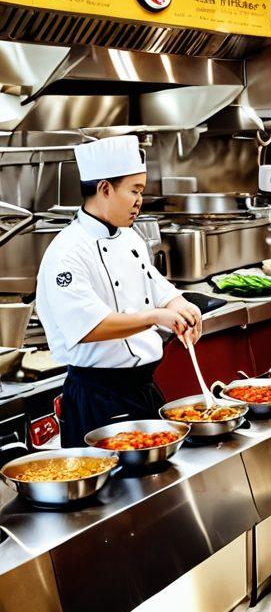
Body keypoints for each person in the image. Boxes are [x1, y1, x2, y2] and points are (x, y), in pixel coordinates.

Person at [35, 135, 202, 447]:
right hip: (98, 399)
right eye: (135, 191)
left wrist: (180, 305)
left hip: (143, 389)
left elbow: (155, 284)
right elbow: (89, 328)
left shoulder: (129, 237)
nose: (140, 200)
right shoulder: (67, 252)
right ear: (105, 189)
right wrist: (155, 317)